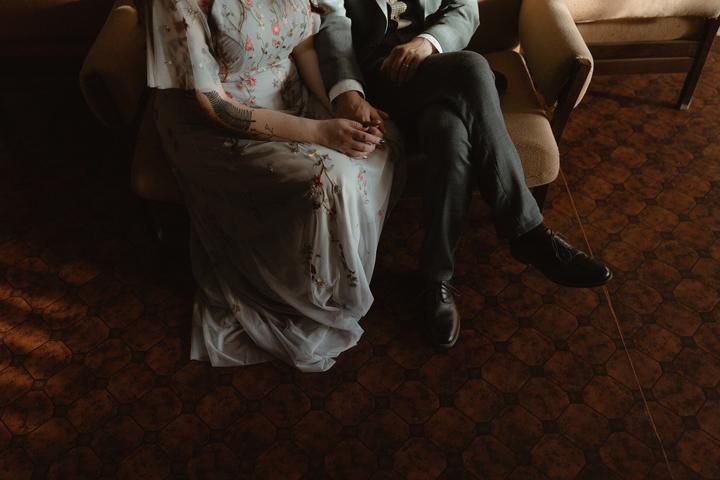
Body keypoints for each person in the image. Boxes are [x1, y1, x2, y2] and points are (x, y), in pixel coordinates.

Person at [315, 0, 612, 348]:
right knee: (472, 66)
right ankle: (527, 231)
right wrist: (348, 93)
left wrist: (429, 42)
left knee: (450, 133)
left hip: (436, 64)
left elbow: (464, 7)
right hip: (378, 73)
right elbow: (333, 20)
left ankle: (435, 277)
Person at [144, 0, 403, 372]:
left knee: (381, 138)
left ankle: (327, 267)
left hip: (290, 91)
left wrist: (336, 107)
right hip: (218, 122)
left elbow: (303, 45)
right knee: (328, 179)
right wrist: (320, 133)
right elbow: (212, 103)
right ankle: (297, 291)